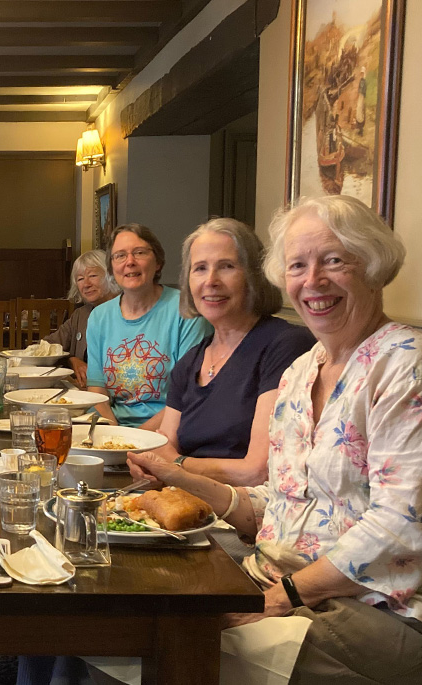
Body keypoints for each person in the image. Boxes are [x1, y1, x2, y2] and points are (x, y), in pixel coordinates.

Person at [128, 195, 422, 682]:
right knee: (129, 616)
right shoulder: (302, 372)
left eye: (333, 260)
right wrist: (171, 474)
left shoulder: (403, 366)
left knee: (164, 649)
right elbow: (277, 502)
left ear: (373, 266)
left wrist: (278, 597)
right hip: (275, 576)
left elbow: (401, 526)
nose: (313, 282)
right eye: (298, 266)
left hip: (378, 605)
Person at [130, 219, 315, 486]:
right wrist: (147, 465)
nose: (211, 281)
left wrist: (177, 465)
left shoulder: (286, 346)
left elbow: (258, 470)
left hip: (247, 514)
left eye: (226, 266)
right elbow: (162, 447)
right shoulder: (190, 361)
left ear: (253, 275)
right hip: (184, 504)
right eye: (200, 268)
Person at [84, 224, 211, 429]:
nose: (130, 262)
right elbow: (97, 390)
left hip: (170, 430)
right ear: (111, 267)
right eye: (120, 256)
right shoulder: (99, 317)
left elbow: (188, 394)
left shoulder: (187, 311)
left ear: (158, 262)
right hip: (112, 428)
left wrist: (137, 439)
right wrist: (113, 438)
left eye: (140, 253)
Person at [43, 250, 119, 388]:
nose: (86, 284)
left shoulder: (128, 311)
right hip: (82, 393)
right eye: (80, 279)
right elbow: (46, 347)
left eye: (93, 275)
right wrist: (72, 360)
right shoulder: (81, 315)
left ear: (111, 275)